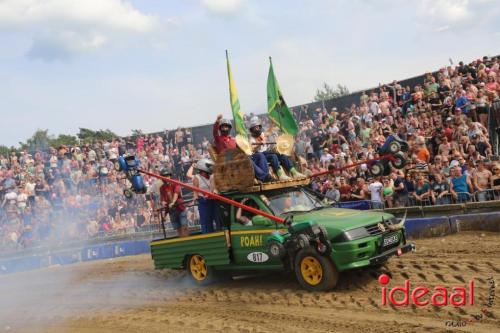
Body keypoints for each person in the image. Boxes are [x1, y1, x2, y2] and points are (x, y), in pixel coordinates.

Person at [213, 114, 271, 182]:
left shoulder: (232, 139)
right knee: (246, 159)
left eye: (227, 127)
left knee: (259, 155)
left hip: (239, 159)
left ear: (229, 128)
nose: (225, 129)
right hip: (229, 161)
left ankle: (266, 176)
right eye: (223, 127)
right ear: (220, 128)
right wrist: (217, 121)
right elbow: (215, 132)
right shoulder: (218, 139)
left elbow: (240, 150)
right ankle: (264, 177)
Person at [189, 159, 217, 233]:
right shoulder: (196, 178)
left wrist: (210, 194)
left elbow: (212, 188)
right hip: (203, 201)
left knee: (216, 217)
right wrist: (194, 199)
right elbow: (195, 191)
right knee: (205, 220)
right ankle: (207, 234)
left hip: (212, 199)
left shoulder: (211, 177)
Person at [159, 168, 188, 237]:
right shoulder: (162, 188)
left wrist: (173, 202)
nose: (166, 177)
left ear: (170, 176)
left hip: (180, 208)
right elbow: (162, 199)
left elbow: (176, 192)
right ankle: (182, 242)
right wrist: (163, 203)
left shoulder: (175, 182)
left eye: (167, 175)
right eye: (164, 176)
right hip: (171, 210)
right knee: (178, 228)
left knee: (184, 226)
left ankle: (187, 241)